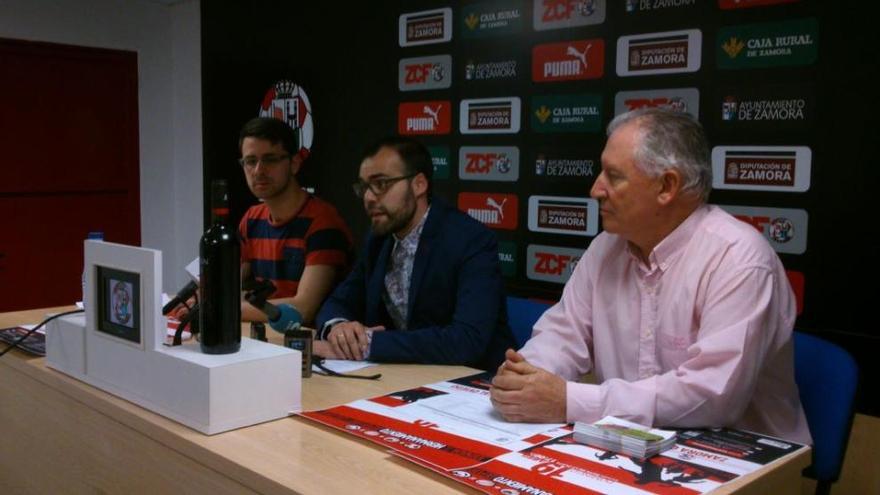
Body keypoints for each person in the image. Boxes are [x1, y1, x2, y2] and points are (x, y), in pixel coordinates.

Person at [489, 108, 811, 444]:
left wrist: (568, 400)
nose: (596, 189)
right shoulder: (606, 248)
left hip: (741, 459)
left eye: (613, 176)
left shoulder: (739, 258)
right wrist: (525, 376)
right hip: (628, 442)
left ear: (666, 186)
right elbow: (563, 334)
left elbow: (713, 396)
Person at [313, 136, 514, 370]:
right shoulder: (378, 239)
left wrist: (368, 344)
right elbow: (339, 301)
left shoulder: (470, 239)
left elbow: (467, 340)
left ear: (419, 184)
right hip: (405, 378)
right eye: (364, 187)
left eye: (381, 184)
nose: (368, 197)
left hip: (474, 384)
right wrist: (339, 328)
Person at [238, 117, 353, 325]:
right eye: (251, 161)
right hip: (266, 340)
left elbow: (303, 309)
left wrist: (224, 308)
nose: (258, 171)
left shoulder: (322, 221)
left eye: (270, 159)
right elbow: (228, 286)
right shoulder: (251, 219)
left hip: (309, 344)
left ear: (295, 163)